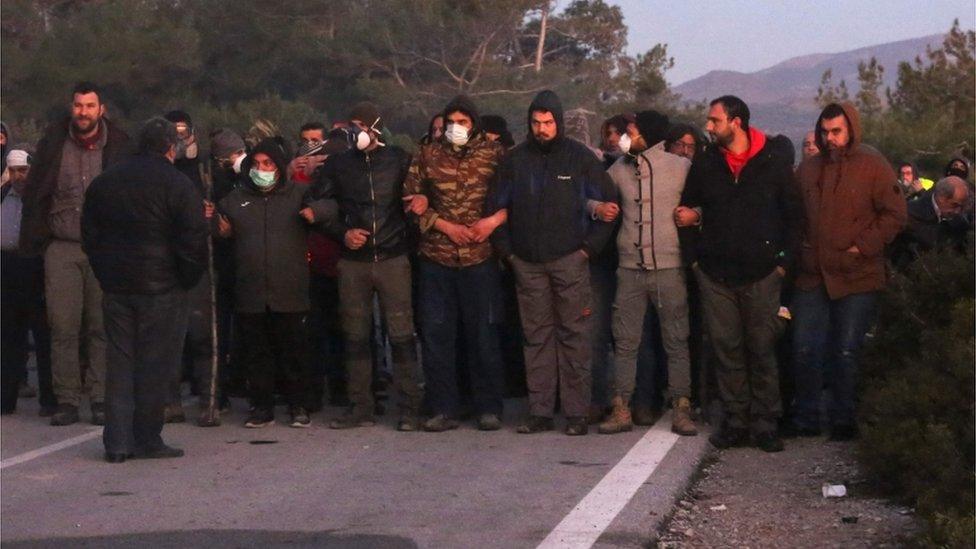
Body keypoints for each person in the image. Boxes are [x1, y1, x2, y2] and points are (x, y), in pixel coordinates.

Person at [676, 95, 803, 452]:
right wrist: (695, 262)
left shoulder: (773, 163)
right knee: (726, 349)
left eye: (715, 120)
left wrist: (782, 265)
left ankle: (765, 423)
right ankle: (736, 421)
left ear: (736, 122)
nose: (709, 126)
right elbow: (685, 211)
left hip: (763, 274)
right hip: (715, 274)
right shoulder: (706, 163)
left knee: (762, 348)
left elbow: (794, 218)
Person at [490, 89, 618, 436]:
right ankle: (541, 411)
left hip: (570, 261)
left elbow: (610, 205)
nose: (541, 129)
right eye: (535, 122)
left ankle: (576, 412)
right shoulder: (514, 161)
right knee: (536, 338)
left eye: (547, 122)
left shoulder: (580, 158)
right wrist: (508, 254)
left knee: (574, 336)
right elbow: (495, 209)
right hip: (527, 264)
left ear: (558, 123)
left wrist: (588, 251)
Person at [81, 117, 208, 462]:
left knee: (119, 362)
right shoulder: (179, 185)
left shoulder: (105, 183)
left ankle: (118, 442)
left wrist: (106, 274)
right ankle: (147, 437)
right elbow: (192, 240)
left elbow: (90, 236)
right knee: (155, 365)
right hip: (162, 288)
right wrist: (185, 278)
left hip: (117, 286)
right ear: (171, 147)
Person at [790, 102, 907, 441]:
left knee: (846, 349)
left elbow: (895, 214)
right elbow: (794, 216)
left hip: (858, 275)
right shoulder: (808, 170)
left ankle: (845, 418)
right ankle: (807, 417)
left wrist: (862, 247)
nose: (830, 139)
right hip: (813, 275)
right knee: (805, 348)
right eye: (825, 132)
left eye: (836, 131)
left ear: (851, 129)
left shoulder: (873, 165)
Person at [19, 82, 132, 426]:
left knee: (100, 326)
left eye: (90, 106)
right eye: (78, 105)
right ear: (72, 108)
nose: (83, 112)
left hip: (104, 250)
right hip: (61, 248)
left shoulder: (120, 146)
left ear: (102, 110)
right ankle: (66, 400)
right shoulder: (53, 143)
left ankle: (100, 398)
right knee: (63, 327)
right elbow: (36, 193)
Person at [316, 102, 424, 431]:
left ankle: (409, 409)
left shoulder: (399, 159)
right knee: (355, 336)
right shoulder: (338, 165)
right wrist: (342, 233)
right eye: (352, 125)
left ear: (377, 127)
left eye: (361, 125)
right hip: (354, 262)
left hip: (393, 256)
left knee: (402, 335)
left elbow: (419, 194)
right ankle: (360, 405)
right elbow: (317, 206)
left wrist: (421, 203)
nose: (356, 132)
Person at [403, 95, 508, 432]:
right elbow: (411, 199)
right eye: (451, 123)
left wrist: (489, 224)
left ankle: (488, 407)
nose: (456, 128)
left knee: (483, 335)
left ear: (474, 124)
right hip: (438, 258)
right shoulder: (427, 154)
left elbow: (514, 199)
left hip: (480, 257)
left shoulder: (494, 155)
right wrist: (444, 225)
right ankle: (442, 407)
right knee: (437, 335)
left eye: (463, 122)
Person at [216, 137, 331, 428]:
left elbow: (331, 205)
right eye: (256, 164)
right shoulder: (237, 199)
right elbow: (216, 220)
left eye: (267, 164)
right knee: (257, 354)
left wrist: (315, 212)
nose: (261, 169)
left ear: (279, 167)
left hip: (289, 289)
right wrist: (220, 229)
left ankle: (298, 406)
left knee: (294, 351)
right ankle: (261, 408)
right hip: (251, 290)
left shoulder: (298, 194)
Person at [596, 110, 698, 436]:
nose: (627, 136)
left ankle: (682, 408)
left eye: (633, 130)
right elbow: (591, 197)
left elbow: (707, 203)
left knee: (676, 341)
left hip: (669, 268)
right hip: (629, 268)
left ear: (649, 134)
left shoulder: (681, 167)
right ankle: (621, 407)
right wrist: (594, 208)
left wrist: (695, 214)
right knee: (625, 341)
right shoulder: (618, 169)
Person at [1, 147, 56, 416]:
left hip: (36, 267)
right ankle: (6, 397)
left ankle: (49, 398)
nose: (18, 176)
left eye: (23, 170)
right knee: (10, 337)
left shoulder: (42, 201)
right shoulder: (3, 195)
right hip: (7, 268)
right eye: (13, 171)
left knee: (44, 337)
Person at [891, 176, 971, 269]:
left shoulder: (960, 224)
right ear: (941, 197)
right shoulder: (909, 214)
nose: (957, 211)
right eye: (954, 205)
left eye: (961, 207)